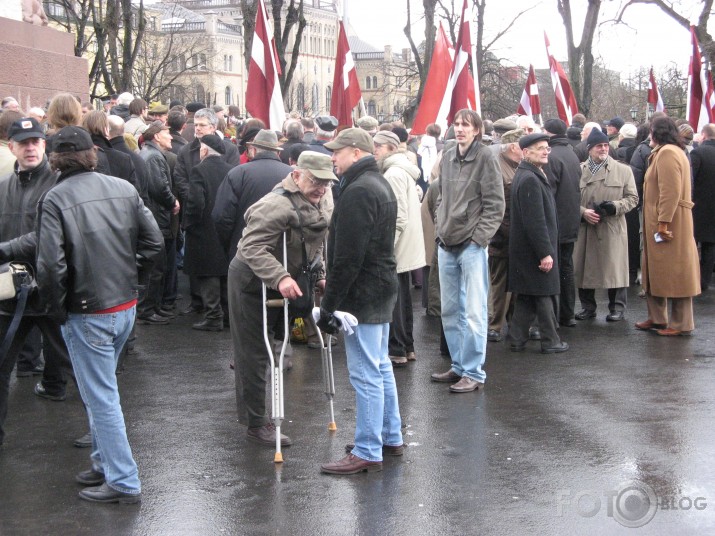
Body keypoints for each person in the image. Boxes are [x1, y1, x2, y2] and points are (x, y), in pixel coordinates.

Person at [36, 125, 162, 504]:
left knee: (101, 396)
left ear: (54, 159)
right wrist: (132, 279)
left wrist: (57, 309)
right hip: (122, 305)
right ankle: (105, 463)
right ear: (91, 153)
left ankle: (123, 479)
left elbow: (50, 267)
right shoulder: (122, 188)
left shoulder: (55, 198)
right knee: (100, 392)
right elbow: (153, 243)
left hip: (89, 310)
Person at [229, 151, 334, 447]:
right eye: (315, 181)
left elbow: (317, 242)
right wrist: (280, 277)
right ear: (297, 174)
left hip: (289, 275)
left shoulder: (323, 198)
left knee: (278, 344)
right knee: (254, 352)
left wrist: (320, 272)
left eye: (327, 182)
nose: (322, 188)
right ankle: (255, 423)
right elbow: (251, 247)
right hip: (252, 280)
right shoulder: (275, 205)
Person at [319, 128, 402, 475]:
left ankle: (369, 448)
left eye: (337, 152)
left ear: (355, 152)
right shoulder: (376, 183)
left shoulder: (359, 190)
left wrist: (328, 306)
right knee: (379, 365)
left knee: (367, 372)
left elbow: (347, 257)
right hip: (379, 287)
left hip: (363, 294)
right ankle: (389, 435)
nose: (333, 158)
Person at [0, 117, 73, 445]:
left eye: (36, 141)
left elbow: (49, 235)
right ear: (11, 146)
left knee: (74, 364)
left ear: (45, 145)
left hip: (49, 287)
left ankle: (101, 435)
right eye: (24, 142)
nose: (31, 148)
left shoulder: (59, 184)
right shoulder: (3, 186)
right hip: (9, 292)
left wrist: (4, 249)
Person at [430, 109, 505, 393]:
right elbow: (440, 197)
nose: (459, 129)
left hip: (471, 245)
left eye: (466, 125)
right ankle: (459, 366)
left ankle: (474, 372)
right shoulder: (448, 154)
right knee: (450, 311)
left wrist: (479, 239)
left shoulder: (486, 157)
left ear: (477, 130)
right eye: (457, 124)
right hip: (446, 243)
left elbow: (495, 204)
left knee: (474, 312)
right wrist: (440, 225)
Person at [636, 116, 700, 336]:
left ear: (657, 133)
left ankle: (680, 323)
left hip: (671, 222)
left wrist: (663, 222)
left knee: (677, 272)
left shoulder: (668, 153)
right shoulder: (666, 152)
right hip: (662, 219)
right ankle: (658, 318)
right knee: (656, 269)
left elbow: (669, 191)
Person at [507, 133, 568, 354]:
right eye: (540, 148)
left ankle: (517, 338)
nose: (545, 151)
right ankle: (551, 341)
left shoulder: (528, 174)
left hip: (526, 249)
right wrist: (545, 253)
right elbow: (535, 221)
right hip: (533, 250)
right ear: (525, 153)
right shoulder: (530, 178)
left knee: (527, 294)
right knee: (543, 294)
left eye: (546, 148)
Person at [573, 128, 638, 322]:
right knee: (584, 268)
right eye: (598, 146)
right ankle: (587, 307)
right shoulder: (578, 169)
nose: (603, 149)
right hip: (586, 227)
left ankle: (617, 307)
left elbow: (633, 198)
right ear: (590, 148)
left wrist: (614, 207)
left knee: (615, 269)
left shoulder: (623, 170)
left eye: (605, 145)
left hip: (612, 227)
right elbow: (568, 198)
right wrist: (583, 212)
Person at [372, 131, 425, 366]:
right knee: (402, 297)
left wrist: (386, 247)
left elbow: (398, 217)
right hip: (408, 243)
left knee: (394, 299)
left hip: (398, 244)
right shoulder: (402, 170)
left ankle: (397, 349)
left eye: (378, 147)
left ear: (391, 148)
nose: (374, 151)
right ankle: (406, 346)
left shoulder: (393, 173)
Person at [212, 130, 292, 261]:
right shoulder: (292, 175)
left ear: (253, 150)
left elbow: (221, 216)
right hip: (282, 254)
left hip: (244, 250)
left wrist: (231, 243)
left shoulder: (237, 173)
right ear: (278, 152)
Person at [183, 134, 233, 331]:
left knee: (207, 273)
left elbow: (196, 201)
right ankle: (228, 314)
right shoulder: (231, 170)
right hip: (224, 227)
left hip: (203, 228)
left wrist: (189, 223)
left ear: (204, 150)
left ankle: (213, 315)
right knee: (223, 271)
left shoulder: (199, 170)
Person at [138, 121, 180, 325]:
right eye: (167, 133)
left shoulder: (149, 153)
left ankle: (153, 307)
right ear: (156, 136)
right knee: (154, 267)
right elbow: (159, 187)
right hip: (156, 218)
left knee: (157, 267)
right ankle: (147, 309)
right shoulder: (153, 157)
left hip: (155, 216)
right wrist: (173, 201)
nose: (171, 136)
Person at [542, 118, 582, 327]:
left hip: (556, 222)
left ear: (548, 133)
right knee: (566, 267)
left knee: (554, 269)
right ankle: (568, 314)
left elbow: (548, 193)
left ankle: (556, 316)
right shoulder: (572, 154)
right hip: (570, 220)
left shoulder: (551, 157)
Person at [487, 128, 524, 342]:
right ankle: (494, 325)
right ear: (512, 147)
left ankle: (511, 320)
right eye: (522, 148)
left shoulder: (515, 165)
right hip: (501, 235)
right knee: (499, 282)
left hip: (513, 234)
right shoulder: (497, 167)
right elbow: (496, 206)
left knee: (513, 282)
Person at [691, 123, 715, 291]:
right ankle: (704, 281)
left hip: (697, 207)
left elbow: (690, 181)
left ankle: (691, 279)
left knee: (691, 244)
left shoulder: (697, 153)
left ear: (704, 136)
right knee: (710, 246)